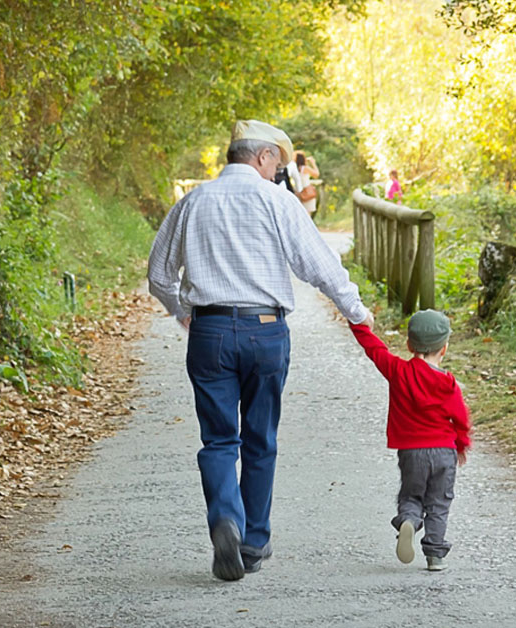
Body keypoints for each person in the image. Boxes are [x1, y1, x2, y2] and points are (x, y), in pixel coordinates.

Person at [147, 119, 374, 582]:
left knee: (218, 440)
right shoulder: (277, 202)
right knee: (260, 438)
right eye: (278, 163)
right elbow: (319, 266)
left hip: (209, 331)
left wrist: (182, 311)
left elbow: (158, 274)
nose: (278, 172)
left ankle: (225, 520)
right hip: (266, 331)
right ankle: (252, 542)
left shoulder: (193, 201)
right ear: (263, 156)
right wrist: (356, 311)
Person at [349, 309, 470, 571]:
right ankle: (435, 556)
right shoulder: (448, 383)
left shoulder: (397, 371)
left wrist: (356, 321)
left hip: (411, 451)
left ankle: (409, 521)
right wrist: (461, 445)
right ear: (444, 349)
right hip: (443, 451)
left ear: (408, 344)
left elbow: (374, 349)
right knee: (439, 501)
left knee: (412, 494)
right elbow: (461, 418)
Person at [295, 150, 320, 219]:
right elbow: (317, 174)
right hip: (307, 193)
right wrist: (313, 163)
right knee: (307, 215)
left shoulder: (295, 168)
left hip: (299, 193)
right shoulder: (305, 168)